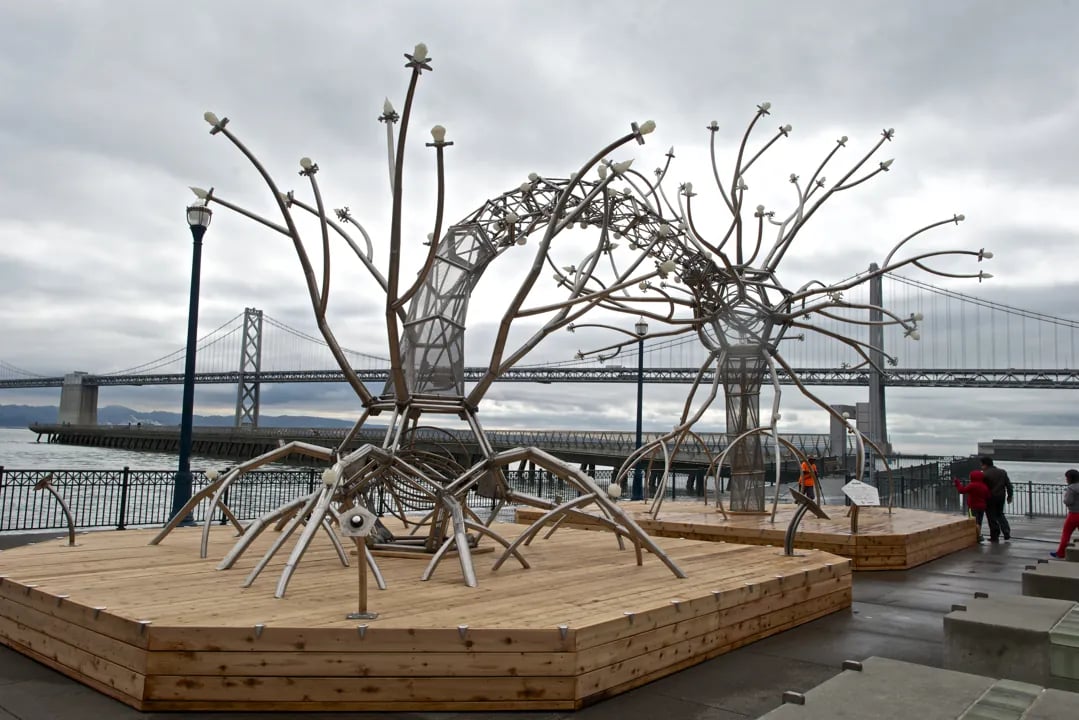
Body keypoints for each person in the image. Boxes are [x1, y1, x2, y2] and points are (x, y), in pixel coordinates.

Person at [980, 456, 1013, 542]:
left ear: (985, 465)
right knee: (1000, 514)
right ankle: (1006, 532)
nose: (981, 467)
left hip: (990, 497)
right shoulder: (1002, 472)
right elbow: (1009, 485)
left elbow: (982, 488)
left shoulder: (984, 474)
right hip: (1001, 497)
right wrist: (1009, 496)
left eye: (982, 465)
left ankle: (995, 535)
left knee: (991, 517)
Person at [1050, 469, 1079, 559]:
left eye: (1066, 478)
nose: (1066, 479)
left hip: (1073, 514)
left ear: (1070, 478)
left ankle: (1061, 553)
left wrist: (1065, 499)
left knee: (1066, 534)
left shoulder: (1071, 488)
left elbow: (1068, 501)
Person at [954, 470, 990, 542]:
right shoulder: (984, 486)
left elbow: (962, 490)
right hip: (982, 507)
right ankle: (978, 535)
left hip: (972, 506)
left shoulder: (972, 485)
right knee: (979, 521)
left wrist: (957, 483)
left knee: (973, 521)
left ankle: (977, 536)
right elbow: (988, 496)